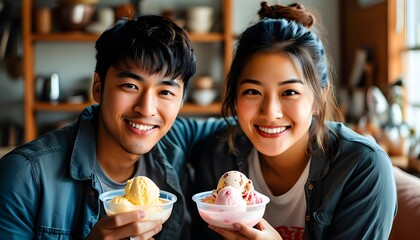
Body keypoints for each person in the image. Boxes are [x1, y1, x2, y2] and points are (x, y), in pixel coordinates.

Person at [0, 15, 228, 239]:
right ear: (98, 87)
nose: (146, 109)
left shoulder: (174, 139)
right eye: (130, 85)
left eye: (165, 92)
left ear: (180, 102)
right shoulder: (23, 177)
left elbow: (250, 124)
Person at [189, 2, 397, 240]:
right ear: (235, 97)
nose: (270, 112)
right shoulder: (216, 155)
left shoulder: (362, 168)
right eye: (252, 92)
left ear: (319, 99)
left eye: (289, 92)